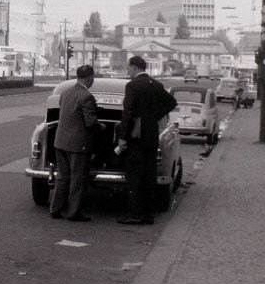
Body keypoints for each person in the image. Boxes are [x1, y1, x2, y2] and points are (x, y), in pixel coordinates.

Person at [115, 56, 177, 225]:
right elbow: (172, 102)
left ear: (134, 68)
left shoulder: (132, 86)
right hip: (151, 136)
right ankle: (148, 214)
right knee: (149, 176)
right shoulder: (156, 85)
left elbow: (127, 113)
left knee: (134, 177)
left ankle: (136, 214)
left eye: (129, 68)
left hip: (136, 139)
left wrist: (122, 137)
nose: (128, 72)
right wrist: (154, 116)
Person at [49, 65, 106, 221]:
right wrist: (101, 127)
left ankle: (56, 208)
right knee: (77, 178)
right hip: (78, 144)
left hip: (61, 141)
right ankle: (74, 212)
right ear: (89, 78)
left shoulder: (65, 92)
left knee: (62, 176)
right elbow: (90, 122)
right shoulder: (86, 96)